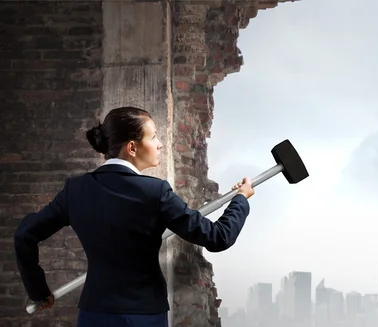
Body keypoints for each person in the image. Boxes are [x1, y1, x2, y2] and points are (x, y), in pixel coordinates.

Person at [13, 106, 255, 327]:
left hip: (94, 314)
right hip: (144, 315)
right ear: (132, 147)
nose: (159, 144)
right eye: (154, 137)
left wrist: (38, 291)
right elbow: (218, 237)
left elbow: (25, 234)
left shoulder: (75, 190)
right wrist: (241, 200)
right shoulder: (156, 192)